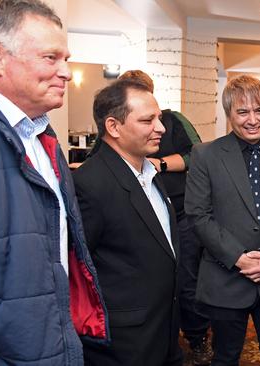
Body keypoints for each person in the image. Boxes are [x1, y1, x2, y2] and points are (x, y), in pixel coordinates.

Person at [0, 1, 109, 364]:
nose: (66, 72)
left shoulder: (43, 137)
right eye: (50, 58)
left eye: (66, 58)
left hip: (51, 343)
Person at [185, 75, 260, 366]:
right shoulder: (205, 155)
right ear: (229, 114)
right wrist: (241, 259)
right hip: (225, 279)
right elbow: (199, 216)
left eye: (259, 110)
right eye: (242, 112)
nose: (253, 119)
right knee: (225, 357)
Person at [73, 79, 182, 366]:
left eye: (158, 118)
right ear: (113, 127)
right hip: (123, 344)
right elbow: (78, 274)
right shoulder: (89, 184)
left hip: (163, 330)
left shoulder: (149, 171)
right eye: (148, 120)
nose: (161, 128)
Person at [118, 70, 212, 365]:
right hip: (137, 217)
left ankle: (197, 339)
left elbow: (197, 154)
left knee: (184, 279)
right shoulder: (116, 128)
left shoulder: (173, 120)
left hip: (180, 213)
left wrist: (158, 164)